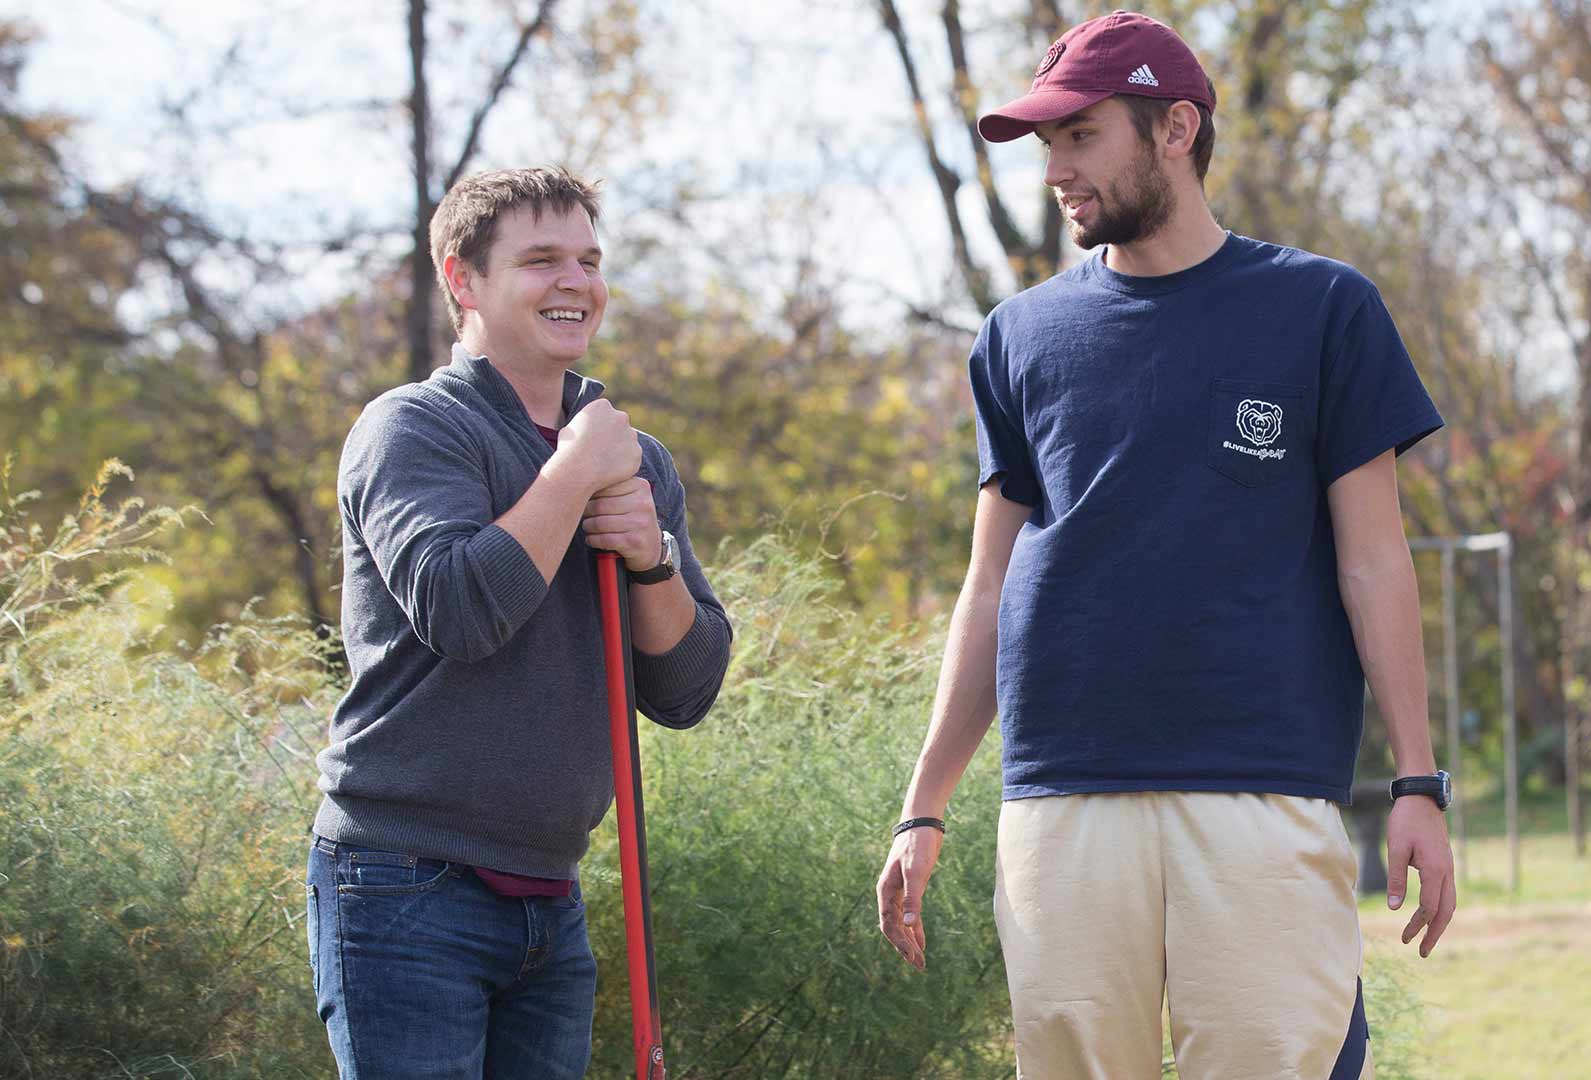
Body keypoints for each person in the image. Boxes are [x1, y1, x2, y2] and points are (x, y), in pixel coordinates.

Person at [874, 12, 1455, 1078]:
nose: (1055, 170)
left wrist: (1418, 782)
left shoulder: (1322, 309)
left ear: (1175, 128)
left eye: (1081, 136)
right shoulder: (1016, 337)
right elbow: (988, 581)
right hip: (1061, 795)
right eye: (1046, 144)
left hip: (1261, 787)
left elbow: (1376, 564)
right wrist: (926, 802)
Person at [308, 165, 731, 1079]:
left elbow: (688, 687)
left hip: (552, 895)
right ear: (463, 281)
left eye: (589, 259)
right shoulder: (413, 429)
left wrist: (650, 559)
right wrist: (572, 477)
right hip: (403, 883)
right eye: (541, 260)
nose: (575, 282)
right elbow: (463, 610)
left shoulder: (630, 455)